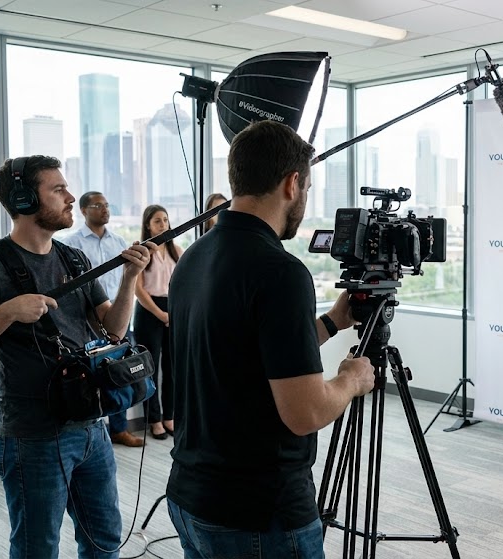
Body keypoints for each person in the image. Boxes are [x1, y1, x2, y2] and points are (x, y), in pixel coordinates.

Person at [165, 120, 375, 558]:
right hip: (259, 514)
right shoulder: (280, 271)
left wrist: (332, 322)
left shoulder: (194, 258)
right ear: (292, 183)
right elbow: (306, 412)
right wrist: (352, 379)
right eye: (308, 187)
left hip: (191, 496)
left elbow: (244, 354)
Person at [0, 155, 154, 558]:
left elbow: (114, 330)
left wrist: (129, 281)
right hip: (31, 437)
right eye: (58, 189)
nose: (71, 197)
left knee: (104, 541)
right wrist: (6, 312)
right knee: (37, 549)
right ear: (23, 200)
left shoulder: (73, 258)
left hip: (91, 428)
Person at [61, 191, 144, 448]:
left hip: (116, 319)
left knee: (119, 374)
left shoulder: (119, 241)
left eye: (107, 205)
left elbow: (127, 281)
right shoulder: (71, 245)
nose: (105, 209)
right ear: (84, 210)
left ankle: (119, 429)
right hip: (85, 323)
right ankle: (94, 430)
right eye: (98, 205)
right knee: (87, 378)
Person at [134, 204, 181, 440]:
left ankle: (169, 416)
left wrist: (173, 313)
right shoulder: (144, 252)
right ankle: (153, 419)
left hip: (172, 309)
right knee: (149, 369)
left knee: (172, 367)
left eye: (165, 220)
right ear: (147, 225)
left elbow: (183, 285)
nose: (163, 225)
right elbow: (138, 290)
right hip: (148, 311)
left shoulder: (176, 251)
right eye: (157, 221)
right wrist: (160, 315)